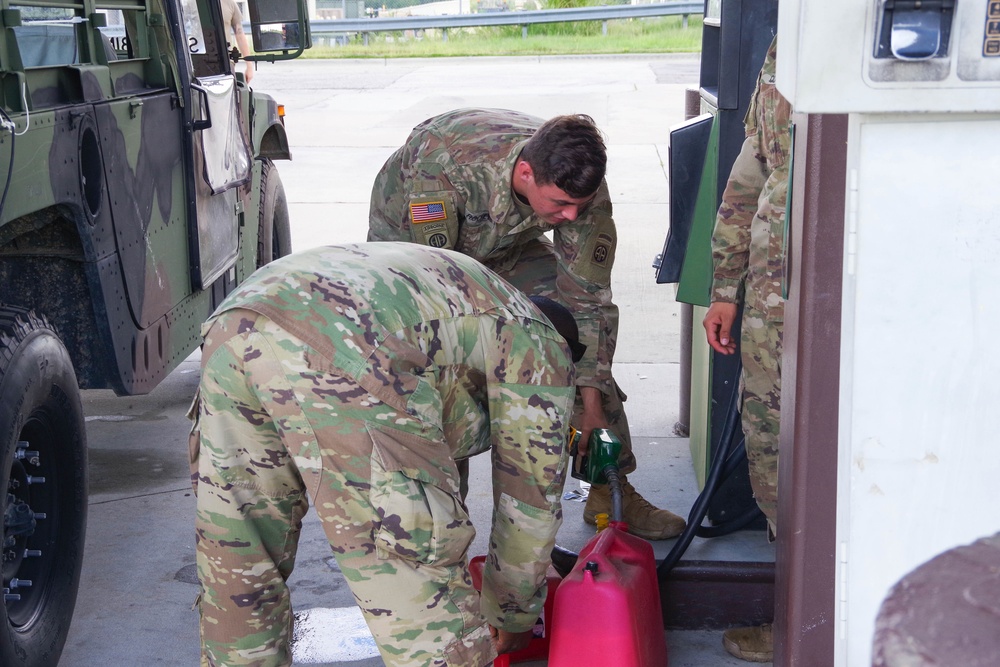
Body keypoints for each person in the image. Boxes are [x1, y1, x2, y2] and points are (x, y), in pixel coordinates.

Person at [191, 242, 583, 667]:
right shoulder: (541, 342)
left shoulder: (472, 298)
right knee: (418, 585)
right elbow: (530, 496)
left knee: (238, 553)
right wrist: (513, 611)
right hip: (345, 342)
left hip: (240, 322)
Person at [368, 107, 686, 540]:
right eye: (559, 205)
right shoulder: (440, 173)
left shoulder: (579, 182)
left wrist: (590, 404)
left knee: (570, 337)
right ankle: (439, 513)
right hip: (416, 261)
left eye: (579, 206)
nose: (571, 216)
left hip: (509, 248)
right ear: (524, 174)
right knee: (439, 370)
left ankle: (609, 487)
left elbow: (589, 303)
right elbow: (437, 291)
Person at [702, 35, 791, 663]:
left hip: (867, 299)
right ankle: (799, 607)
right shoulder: (793, 43)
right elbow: (751, 166)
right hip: (769, 299)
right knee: (772, 449)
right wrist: (726, 284)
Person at [220, 0, 254, 83]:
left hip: (225, 61)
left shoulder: (229, 3)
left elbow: (239, 34)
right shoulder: (191, 3)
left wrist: (249, 66)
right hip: (198, 59)